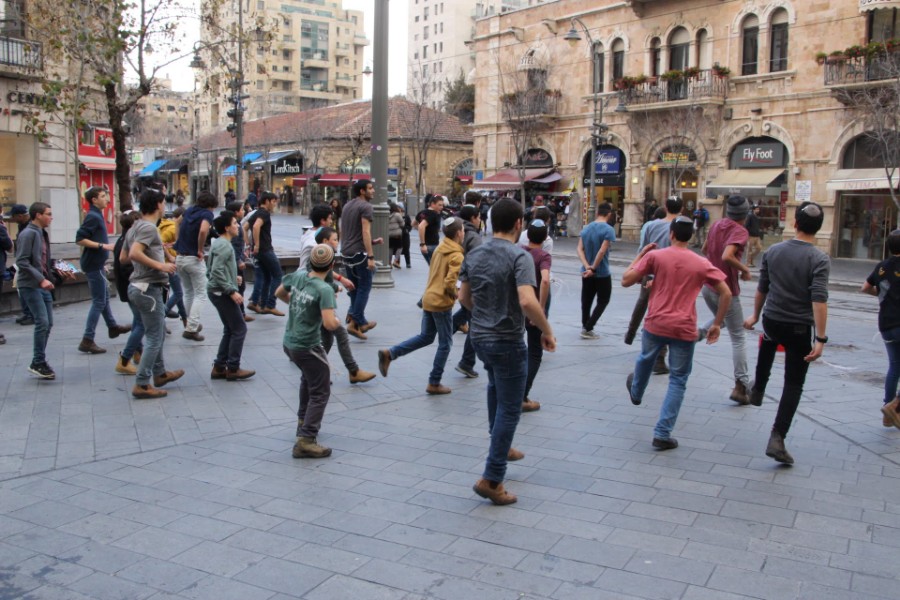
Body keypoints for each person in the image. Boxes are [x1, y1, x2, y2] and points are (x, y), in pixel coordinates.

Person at [459, 199, 556, 506]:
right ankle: (493, 477)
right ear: (519, 225)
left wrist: (484, 314)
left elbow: (463, 296)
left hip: (480, 337)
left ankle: (500, 445)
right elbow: (527, 300)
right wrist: (546, 330)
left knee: (494, 386)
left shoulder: (474, 253)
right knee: (510, 407)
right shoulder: (520, 256)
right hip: (507, 340)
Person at [622, 216, 731, 450]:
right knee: (678, 380)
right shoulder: (700, 262)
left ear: (671, 234)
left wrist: (641, 255)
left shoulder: (655, 256)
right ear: (690, 236)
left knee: (646, 357)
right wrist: (717, 324)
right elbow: (726, 293)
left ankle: (637, 391)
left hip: (656, 322)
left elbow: (626, 280)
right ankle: (662, 433)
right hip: (684, 327)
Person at [744, 202, 830, 465]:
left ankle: (758, 387)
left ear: (795, 223)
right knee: (794, 383)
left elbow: (763, 288)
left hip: (772, 319)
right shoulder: (819, 259)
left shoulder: (773, 251)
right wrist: (820, 338)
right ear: (819, 228)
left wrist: (756, 315)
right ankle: (777, 437)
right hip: (798, 327)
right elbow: (819, 300)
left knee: (769, 339)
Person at [378, 217, 465, 395]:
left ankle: (390, 353)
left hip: (428, 298)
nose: (464, 233)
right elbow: (450, 282)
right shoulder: (456, 254)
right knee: (446, 343)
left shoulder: (441, 247)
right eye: (463, 230)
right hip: (441, 303)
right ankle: (434, 382)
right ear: (458, 234)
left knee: (426, 336)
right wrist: (455, 295)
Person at [277, 243, 341, 459]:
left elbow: (279, 293)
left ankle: (303, 422)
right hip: (307, 345)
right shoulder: (324, 290)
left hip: (290, 342)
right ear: (332, 265)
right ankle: (306, 439)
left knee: (307, 380)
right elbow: (329, 324)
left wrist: (298, 305)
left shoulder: (298, 277)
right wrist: (336, 319)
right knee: (321, 390)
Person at [300, 208, 376, 385]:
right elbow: (314, 274)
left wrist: (336, 284)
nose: (337, 242)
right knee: (339, 333)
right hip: (320, 301)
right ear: (326, 241)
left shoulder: (323, 252)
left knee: (326, 338)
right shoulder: (319, 252)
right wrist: (334, 285)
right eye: (335, 240)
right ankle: (353, 371)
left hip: (319, 299)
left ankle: (315, 370)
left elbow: (324, 275)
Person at [124, 189, 185, 399]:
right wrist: (160, 265)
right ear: (159, 204)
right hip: (148, 288)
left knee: (155, 331)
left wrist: (154, 258)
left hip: (139, 287)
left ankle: (159, 374)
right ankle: (142, 383)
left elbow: (124, 257)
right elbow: (133, 254)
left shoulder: (134, 227)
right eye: (163, 202)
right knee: (154, 336)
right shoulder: (148, 228)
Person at [699, 195, 753, 405]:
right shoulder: (740, 230)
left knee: (717, 322)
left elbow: (705, 250)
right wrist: (745, 269)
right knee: (738, 336)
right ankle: (741, 385)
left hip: (708, 286)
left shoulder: (716, 225)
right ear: (746, 214)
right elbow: (727, 256)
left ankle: (689, 336)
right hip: (725, 290)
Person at [624, 197, 684, 375]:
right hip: (671, 278)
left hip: (650, 273)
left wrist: (639, 272)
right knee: (664, 313)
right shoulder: (680, 226)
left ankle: (631, 333)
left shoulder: (651, 225)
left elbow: (643, 250)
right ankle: (659, 357)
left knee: (643, 304)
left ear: (665, 207)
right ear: (681, 208)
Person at [16, 202, 74, 379]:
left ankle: (39, 360)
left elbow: (43, 260)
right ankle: (38, 361)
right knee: (42, 322)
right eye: (48, 214)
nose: (51, 217)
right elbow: (22, 261)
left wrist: (61, 269)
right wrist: (41, 280)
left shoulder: (42, 233)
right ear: (38, 215)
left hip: (43, 284)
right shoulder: (28, 234)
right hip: (31, 285)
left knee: (47, 323)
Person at [75, 186, 131, 354]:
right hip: (93, 264)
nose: (107, 199)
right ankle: (87, 338)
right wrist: (104, 246)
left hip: (96, 263)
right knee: (99, 301)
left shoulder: (96, 215)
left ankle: (113, 327)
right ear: (94, 200)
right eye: (103, 196)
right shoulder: (92, 216)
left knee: (104, 297)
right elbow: (80, 238)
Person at [207, 211, 255, 381]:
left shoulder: (220, 243)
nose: (238, 226)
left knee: (230, 328)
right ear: (227, 228)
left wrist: (233, 277)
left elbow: (212, 269)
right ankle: (233, 368)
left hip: (218, 290)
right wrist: (231, 289)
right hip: (221, 292)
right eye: (235, 223)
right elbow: (215, 271)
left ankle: (220, 366)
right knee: (240, 328)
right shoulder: (224, 245)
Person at [863, 229, 900, 428]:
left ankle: (888, 412)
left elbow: (865, 288)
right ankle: (894, 407)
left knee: (895, 366)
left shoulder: (881, 266)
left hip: (885, 324)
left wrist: (882, 294)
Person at [173, 191, 217, 340]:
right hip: (193, 258)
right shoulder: (207, 214)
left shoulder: (189, 210)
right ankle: (191, 329)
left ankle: (190, 323)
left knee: (189, 292)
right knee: (201, 293)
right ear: (211, 206)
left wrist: (178, 241)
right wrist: (199, 249)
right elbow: (204, 230)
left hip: (180, 257)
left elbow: (177, 222)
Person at [340, 180, 380, 338]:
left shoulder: (347, 205)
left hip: (346, 251)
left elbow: (346, 230)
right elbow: (365, 231)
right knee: (364, 286)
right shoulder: (366, 207)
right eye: (370, 188)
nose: (373, 191)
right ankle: (358, 320)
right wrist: (370, 255)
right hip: (359, 253)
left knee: (354, 288)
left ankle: (353, 320)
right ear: (362, 191)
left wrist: (371, 242)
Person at [520, 219, 551, 413]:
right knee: (534, 353)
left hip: (516, 307)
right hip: (532, 308)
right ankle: (522, 396)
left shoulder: (519, 251)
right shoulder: (543, 255)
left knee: (518, 349)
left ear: (528, 235)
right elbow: (545, 280)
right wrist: (540, 308)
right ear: (545, 237)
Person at [577, 202, 616, 340]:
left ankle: (584, 326)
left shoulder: (586, 228)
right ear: (609, 214)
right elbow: (602, 250)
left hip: (586, 271)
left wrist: (586, 266)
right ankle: (589, 327)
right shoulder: (609, 230)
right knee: (603, 300)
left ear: (598, 212)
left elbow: (579, 249)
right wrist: (593, 267)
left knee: (586, 300)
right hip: (601, 271)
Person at [452, 204, 483, 379]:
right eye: (479, 217)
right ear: (473, 218)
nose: (480, 221)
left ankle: (443, 333)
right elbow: (478, 263)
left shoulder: (455, 231)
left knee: (464, 313)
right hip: (468, 284)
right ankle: (466, 362)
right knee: (475, 322)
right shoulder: (474, 237)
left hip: (455, 280)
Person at [112, 211, 143, 375]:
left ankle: (138, 352)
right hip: (133, 288)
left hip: (128, 288)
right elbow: (126, 268)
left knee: (139, 321)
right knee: (142, 323)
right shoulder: (129, 242)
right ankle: (125, 357)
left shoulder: (124, 239)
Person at [247, 191, 285, 316]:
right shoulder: (264, 213)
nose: (274, 204)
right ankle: (270, 304)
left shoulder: (256, 213)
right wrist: (257, 244)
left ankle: (261, 305)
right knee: (278, 275)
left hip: (258, 251)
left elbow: (244, 227)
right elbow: (256, 227)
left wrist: (249, 245)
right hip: (265, 249)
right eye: (273, 202)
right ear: (267, 201)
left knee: (267, 277)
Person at [5, 204, 34, 325]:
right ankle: (28, 313)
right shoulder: (23, 226)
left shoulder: (29, 228)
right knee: (21, 288)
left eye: (14, 216)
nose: (12, 219)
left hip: (27, 263)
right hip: (23, 262)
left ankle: (31, 314)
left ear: (20, 216)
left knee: (27, 289)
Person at [159, 207, 188, 327]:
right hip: (169, 264)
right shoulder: (171, 228)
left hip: (170, 264)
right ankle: (160, 316)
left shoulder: (168, 226)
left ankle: (185, 318)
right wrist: (170, 256)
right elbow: (161, 243)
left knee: (178, 292)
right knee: (178, 293)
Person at [226, 201, 253, 323]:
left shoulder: (236, 224)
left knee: (240, 287)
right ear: (236, 212)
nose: (244, 211)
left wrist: (243, 254)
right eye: (242, 209)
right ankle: (238, 314)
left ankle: (240, 313)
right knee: (238, 287)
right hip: (236, 262)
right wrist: (239, 260)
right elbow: (234, 246)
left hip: (237, 259)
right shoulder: (235, 227)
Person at [416, 194, 444, 264]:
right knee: (437, 269)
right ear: (432, 204)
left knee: (433, 269)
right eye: (439, 205)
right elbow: (421, 226)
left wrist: (426, 230)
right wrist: (422, 244)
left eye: (442, 205)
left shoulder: (422, 212)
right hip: (432, 245)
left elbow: (414, 223)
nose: (441, 207)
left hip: (427, 246)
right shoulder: (433, 214)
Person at [388, 203, 404, 268]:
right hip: (397, 234)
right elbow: (402, 224)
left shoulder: (387, 214)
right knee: (400, 247)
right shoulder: (397, 215)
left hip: (389, 234)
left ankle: (389, 263)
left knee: (390, 248)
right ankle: (395, 260)